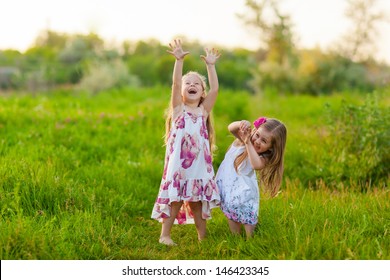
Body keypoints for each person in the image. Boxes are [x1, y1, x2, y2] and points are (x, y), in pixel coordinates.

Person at [151, 39, 221, 246]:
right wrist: (179, 61)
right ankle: (165, 235)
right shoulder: (178, 110)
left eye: (196, 84)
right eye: (187, 83)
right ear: (182, 91)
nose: (191, 85)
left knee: (198, 202)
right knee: (175, 200)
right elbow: (175, 83)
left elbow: (215, 90)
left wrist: (210, 66)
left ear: (202, 92)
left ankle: (203, 237)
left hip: (199, 167)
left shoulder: (202, 111)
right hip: (178, 167)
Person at [216, 117, 287, 238]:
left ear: (271, 147)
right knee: (230, 211)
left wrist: (248, 142)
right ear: (255, 130)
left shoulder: (263, 155)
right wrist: (242, 124)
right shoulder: (242, 140)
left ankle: (251, 238)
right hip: (229, 187)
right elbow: (231, 128)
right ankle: (236, 238)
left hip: (245, 192)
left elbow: (256, 165)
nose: (258, 141)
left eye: (264, 141)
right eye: (257, 135)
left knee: (248, 216)